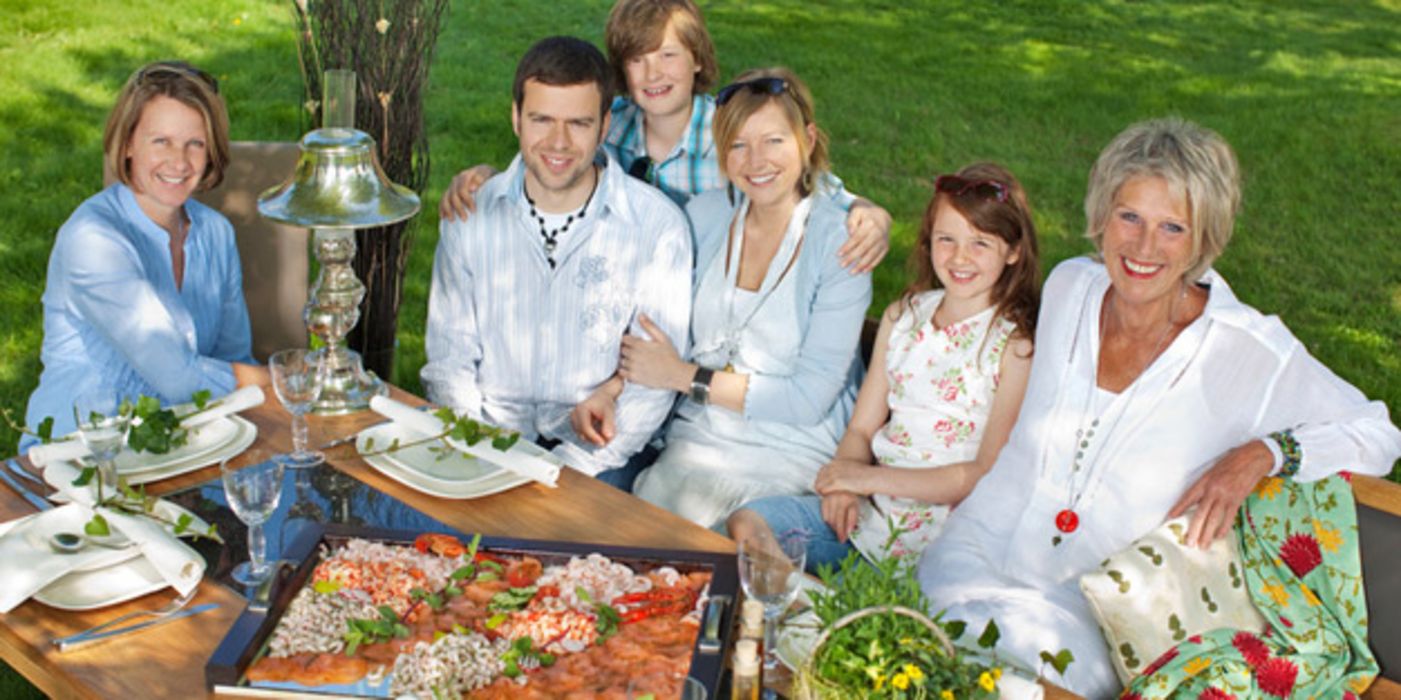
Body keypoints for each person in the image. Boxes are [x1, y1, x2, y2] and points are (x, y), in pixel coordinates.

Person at [916, 118, 1401, 698]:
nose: (1144, 247)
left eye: (1173, 227)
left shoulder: (1245, 349)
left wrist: (1261, 454)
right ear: (1102, 216)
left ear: (1204, 240)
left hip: (1091, 613)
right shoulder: (1072, 288)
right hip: (977, 548)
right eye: (1130, 218)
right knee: (906, 646)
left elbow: (1378, 432)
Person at [575, 68, 871, 530]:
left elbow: (808, 399)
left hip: (792, 458)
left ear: (807, 140)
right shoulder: (705, 217)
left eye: (774, 141)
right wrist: (611, 389)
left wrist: (682, 376)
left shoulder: (840, 245)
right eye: (738, 145)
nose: (756, 160)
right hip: (696, 445)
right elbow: (655, 328)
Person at [727, 163, 1040, 572]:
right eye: (947, 239)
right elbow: (861, 428)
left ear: (1013, 251)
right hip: (869, 521)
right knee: (749, 523)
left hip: (941, 545)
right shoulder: (903, 317)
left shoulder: (1013, 347)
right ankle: (792, 606)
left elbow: (980, 473)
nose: (960, 257)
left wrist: (864, 480)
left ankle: (813, 612)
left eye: (980, 243)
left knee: (853, 603)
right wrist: (844, 488)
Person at [437, 0, 892, 274]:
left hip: (706, 305)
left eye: (668, 55)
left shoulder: (732, 132)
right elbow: (552, 159)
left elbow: (817, 189)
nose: (654, 74)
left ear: (697, 59)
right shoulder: (609, 123)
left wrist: (871, 214)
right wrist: (487, 176)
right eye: (637, 60)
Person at [420, 36, 692, 479]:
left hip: (601, 450)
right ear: (516, 119)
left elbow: (651, 385)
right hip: (488, 437)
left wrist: (573, 469)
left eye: (578, 123)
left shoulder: (656, 228)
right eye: (542, 119)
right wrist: (481, 451)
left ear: (604, 126)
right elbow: (450, 360)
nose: (558, 142)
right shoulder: (470, 216)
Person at [22, 61, 265, 448]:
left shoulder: (216, 234)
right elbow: (179, 376)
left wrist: (269, 391)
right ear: (129, 143)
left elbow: (234, 356)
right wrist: (289, 380)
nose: (180, 162)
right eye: (161, 141)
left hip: (184, 443)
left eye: (195, 143)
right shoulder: (92, 239)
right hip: (79, 454)